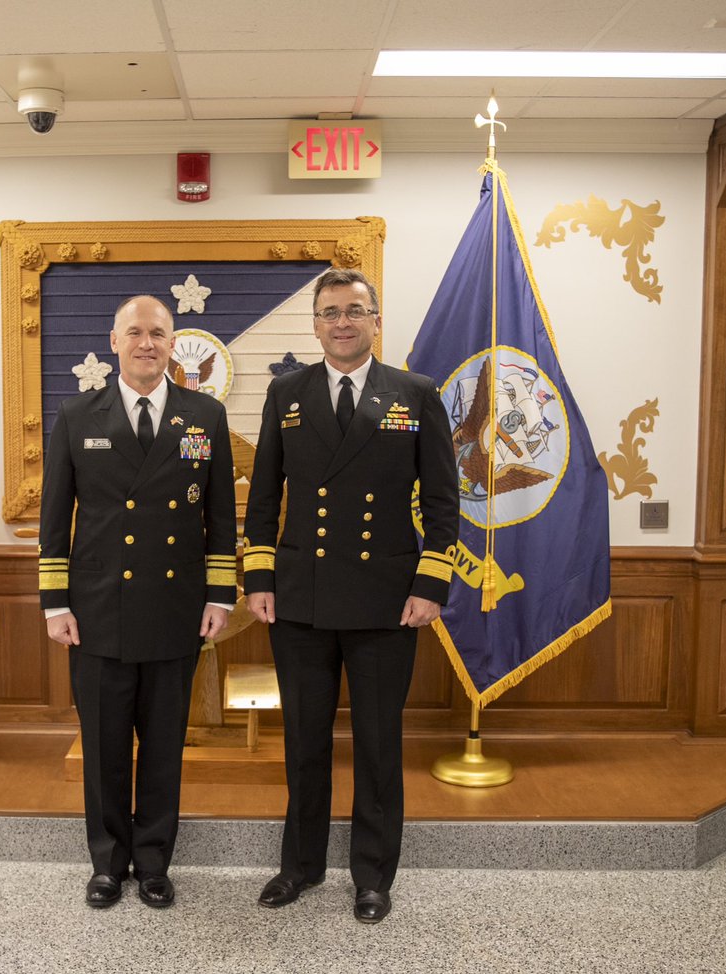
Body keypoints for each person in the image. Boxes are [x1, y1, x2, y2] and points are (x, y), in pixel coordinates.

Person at [243, 268, 459, 924]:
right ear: (314, 324)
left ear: (375, 320)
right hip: (301, 599)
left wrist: (432, 582)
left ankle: (372, 874)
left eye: (355, 311)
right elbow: (264, 495)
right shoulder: (287, 392)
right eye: (331, 312)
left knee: (375, 741)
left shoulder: (415, 394)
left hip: (385, 600)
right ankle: (300, 867)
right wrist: (259, 576)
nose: (343, 322)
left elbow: (445, 500)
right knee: (305, 741)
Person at [39, 294, 236, 910]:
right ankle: (106, 863)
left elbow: (220, 517)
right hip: (96, 610)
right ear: (114, 340)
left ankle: (153, 862)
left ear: (173, 343)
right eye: (135, 332)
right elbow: (54, 521)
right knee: (102, 746)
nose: (147, 342)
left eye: (158, 332)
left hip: (176, 608)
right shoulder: (77, 416)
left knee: (162, 745)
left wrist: (220, 595)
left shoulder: (204, 415)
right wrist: (54, 603)